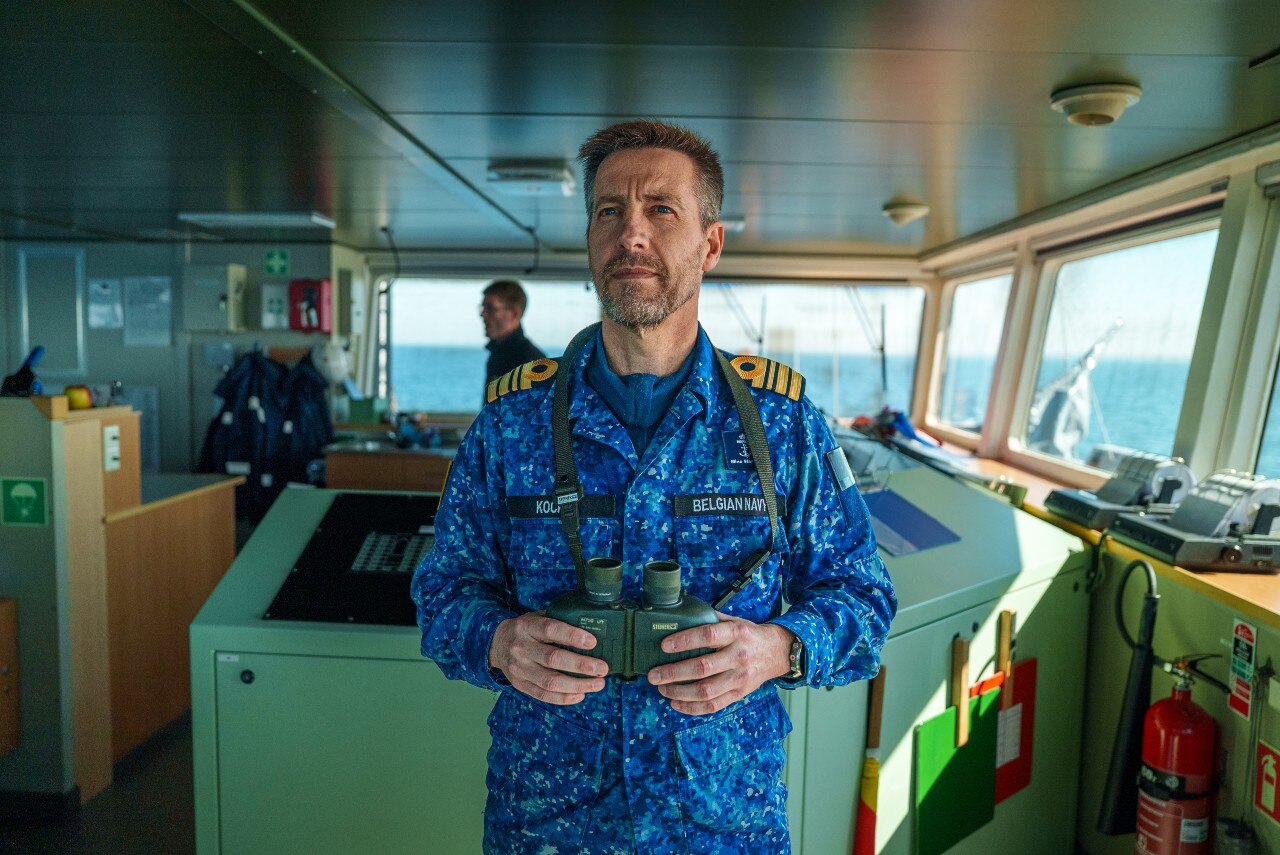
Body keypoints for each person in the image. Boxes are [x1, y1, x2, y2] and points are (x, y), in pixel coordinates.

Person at [412, 120, 895, 854]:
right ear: (588, 238)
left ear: (711, 244)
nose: (630, 233)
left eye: (660, 209)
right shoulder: (511, 426)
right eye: (609, 210)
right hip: (549, 822)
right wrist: (500, 639)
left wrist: (776, 648)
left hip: (723, 821)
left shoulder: (783, 427)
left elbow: (864, 598)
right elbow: (443, 591)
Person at [481, 279, 545, 389]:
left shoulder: (531, 362)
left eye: (491, 308)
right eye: (483, 307)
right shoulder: (498, 352)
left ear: (514, 313)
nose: (482, 314)